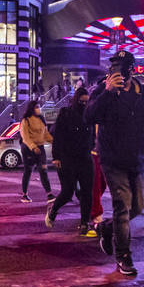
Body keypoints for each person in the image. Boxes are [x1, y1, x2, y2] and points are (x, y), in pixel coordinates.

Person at [85, 50, 144, 276]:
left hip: (137, 159)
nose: (118, 72)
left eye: (122, 67)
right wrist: (107, 93)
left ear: (131, 70)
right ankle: (124, 256)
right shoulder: (102, 90)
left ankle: (107, 228)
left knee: (137, 207)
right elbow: (89, 117)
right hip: (112, 159)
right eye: (114, 67)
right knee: (123, 206)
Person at [48, 87, 94, 235]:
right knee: (67, 192)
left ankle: (84, 222)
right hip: (68, 158)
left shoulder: (90, 115)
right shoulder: (66, 114)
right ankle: (54, 209)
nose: (84, 104)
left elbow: (93, 134)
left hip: (85, 157)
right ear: (76, 100)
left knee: (87, 192)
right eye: (82, 102)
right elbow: (58, 136)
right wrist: (56, 157)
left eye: (86, 102)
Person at [19, 100, 53, 202]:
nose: (39, 109)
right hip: (29, 149)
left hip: (40, 147)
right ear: (32, 108)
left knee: (43, 170)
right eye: (37, 107)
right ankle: (24, 194)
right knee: (28, 171)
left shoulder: (42, 119)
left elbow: (45, 134)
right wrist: (33, 147)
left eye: (39, 107)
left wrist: (54, 142)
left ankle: (49, 194)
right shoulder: (26, 120)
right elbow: (25, 137)